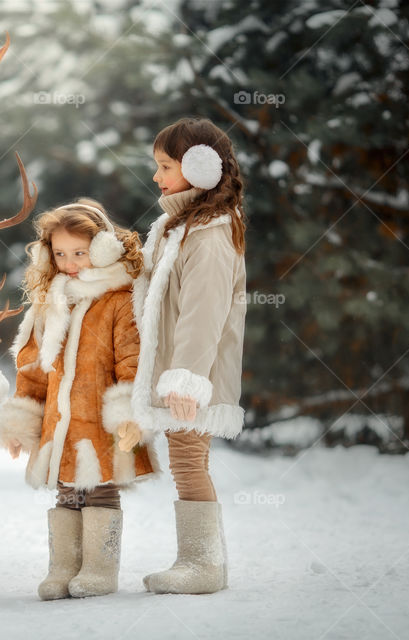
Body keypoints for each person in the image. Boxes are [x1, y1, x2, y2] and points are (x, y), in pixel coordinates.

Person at [0, 198, 158, 600]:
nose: (70, 263)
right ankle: (63, 568)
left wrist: (129, 413)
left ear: (103, 248)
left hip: (100, 421)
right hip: (59, 422)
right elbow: (32, 368)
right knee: (66, 491)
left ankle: (99, 570)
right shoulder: (50, 303)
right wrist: (20, 424)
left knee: (101, 488)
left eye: (80, 253)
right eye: (61, 254)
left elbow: (132, 360)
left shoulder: (119, 300)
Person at [123, 117, 248, 595]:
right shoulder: (178, 227)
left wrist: (186, 378)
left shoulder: (211, 234)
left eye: (164, 165)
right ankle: (198, 561)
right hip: (180, 369)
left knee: (189, 462)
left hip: (195, 374)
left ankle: (203, 565)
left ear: (199, 167)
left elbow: (203, 312)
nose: (156, 177)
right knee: (185, 460)